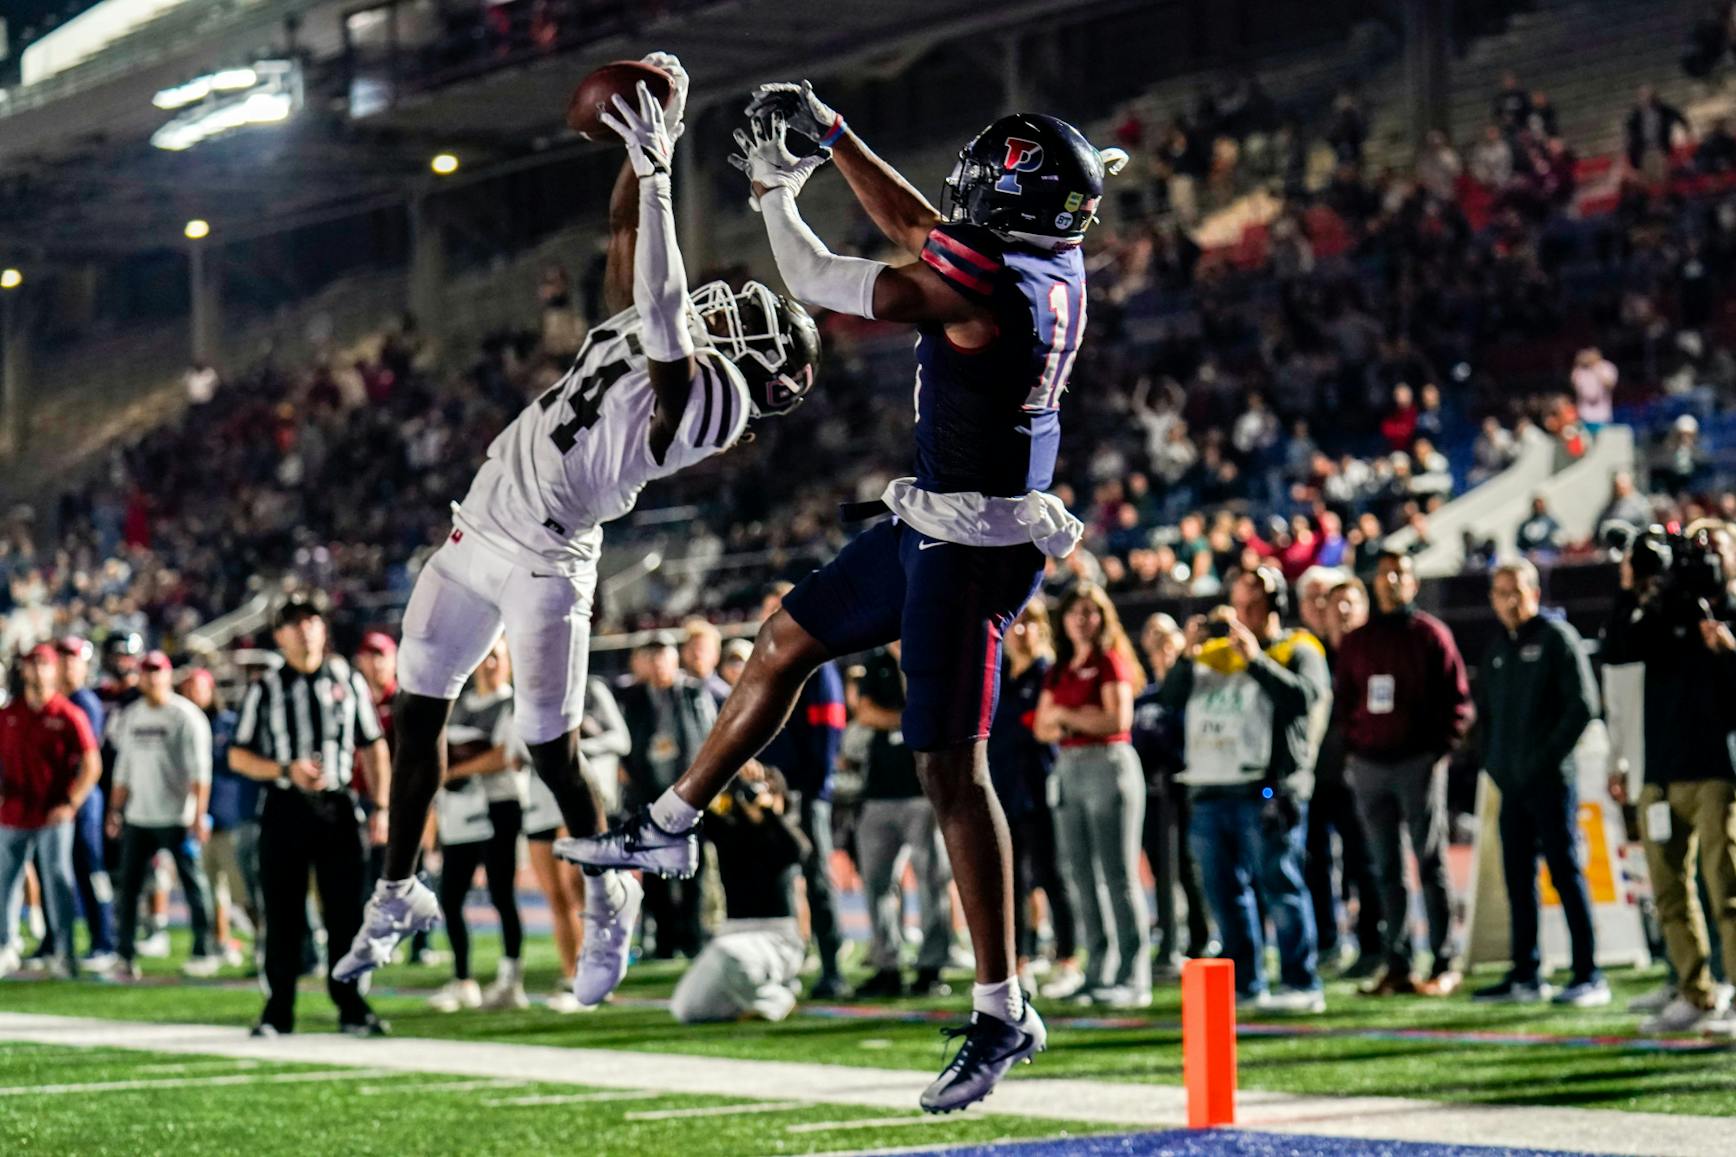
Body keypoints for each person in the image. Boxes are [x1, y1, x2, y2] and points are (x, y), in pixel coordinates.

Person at [569, 81, 1125, 1111]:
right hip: (939, 517)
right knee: (784, 635)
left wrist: (777, 194)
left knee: (947, 771)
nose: (958, 203)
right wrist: (830, 136)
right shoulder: (1048, 257)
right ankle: (671, 820)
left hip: (973, 539)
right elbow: (925, 227)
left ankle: (1004, 1008)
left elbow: (819, 275)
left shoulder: (986, 290)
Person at [333, 54, 821, 1011]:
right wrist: (651, 139)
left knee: (548, 744)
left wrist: (658, 169)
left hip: (550, 557)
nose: (737, 309)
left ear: (759, 373)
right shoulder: (654, 327)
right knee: (416, 707)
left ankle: (611, 892)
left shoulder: (712, 404)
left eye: (752, 322)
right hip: (482, 525)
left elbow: (671, 316)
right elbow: (626, 233)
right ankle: (395, 888)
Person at [1160, 569, 1331, 1011]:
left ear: (1277, 605)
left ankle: (1300, 982)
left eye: (1253, 605)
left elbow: (1304, 698)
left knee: (1281, 886)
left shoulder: (1298, 648)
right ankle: (1245, 982)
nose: (1243, 615)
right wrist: (1186, 653)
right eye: (1238, 605)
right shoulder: (1214, 654)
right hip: (1210, 786)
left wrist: (1255, 660)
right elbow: (1172, 698)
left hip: (1266, 788)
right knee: (1223, 893)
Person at [229, 597, 390, 1037]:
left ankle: (352, 1005)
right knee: (282, 913)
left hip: (338, 806)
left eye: (312, 621)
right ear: (279, 636)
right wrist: (285, 770)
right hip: (285, 807)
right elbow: (238, 755)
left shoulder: (347, 679)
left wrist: (382, 807)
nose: (306, 630)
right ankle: (278, 1009)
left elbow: (373, 744)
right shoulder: (265, 688)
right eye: (295, 624)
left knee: (345, 914)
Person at [1603, 524, 1736, 1033]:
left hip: (1716, 771)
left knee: (1727, 890)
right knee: (1669, 893)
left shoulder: (1728, 614)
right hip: (1660, 770)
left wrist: (1727, 649)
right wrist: (1630, 585)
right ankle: (1694, 991)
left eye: (1714, 549)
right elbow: (1617, 649)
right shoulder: (1658, 612)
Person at [1334, 552, 1473, 997]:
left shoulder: (1431, 635)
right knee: (1384, 866)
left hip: (1417, 763)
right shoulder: (1360, 640)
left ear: (1413, 583)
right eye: (1384, 573)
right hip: (1371, 766)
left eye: (1401, 573)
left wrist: (1436, 751)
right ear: (1374, 583)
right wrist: (1355, 751)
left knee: (1429, 860)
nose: (1392, 580)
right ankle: (1397, 962)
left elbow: (1459, 703)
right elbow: (1345, 702)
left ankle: (1443, 959)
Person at [1473, 561, 1608, 1007]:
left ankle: (1589, 972)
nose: (1508, 600)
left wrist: (1543, 759)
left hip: (1551, 782)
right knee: (1517, 878)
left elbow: (1583, 705)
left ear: (1534, 591)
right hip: (1511, 785)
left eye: (1515, 591)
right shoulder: (1497, 649)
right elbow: (1486, 718)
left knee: (1566, 873)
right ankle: (1526, 973)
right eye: (1499, 592)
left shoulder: (1557, 639)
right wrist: (1495, 764)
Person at [1034, 585, 1151, 1008]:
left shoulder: (1109, 661)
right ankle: (1098, 970)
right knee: (1081, 877)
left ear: (1104, 617)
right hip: (1069, 769)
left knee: (1118, 875)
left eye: (1091, 611)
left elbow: (1116, 719)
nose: (1083, 620)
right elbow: (1041, 728)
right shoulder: (1061, 667)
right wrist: (1076, 720)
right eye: (1075, 612)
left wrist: (1066, 717)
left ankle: (1132, 977)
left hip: (1109, 764)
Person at [755, 582, 849, 998]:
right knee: (778, 881)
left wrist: (812, 786)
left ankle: (832, 967)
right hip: (774, 790)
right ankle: (788, 963)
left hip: (804, 790)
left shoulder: (815, 662)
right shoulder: (768, 662)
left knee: (817, 879)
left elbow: (829, 729)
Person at [428, 639, 528, 1012]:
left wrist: (452, 770)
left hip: (498, 805)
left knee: (502, 893)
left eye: (497, 656)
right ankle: (463, 978)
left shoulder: (513, 703)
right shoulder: (460, 706)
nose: (489, 664)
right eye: (483, 656)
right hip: (458, 811)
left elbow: (504, 755)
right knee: (451, 896)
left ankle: (510, 979)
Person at [519, 675, 630, 1013]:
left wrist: (573, 750)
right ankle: (572, 975)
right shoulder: (528, 688)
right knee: (554, 895)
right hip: (539, 796)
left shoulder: (591, 687)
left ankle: (597, 974)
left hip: (575, 793)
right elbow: (516, 745)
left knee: (577, 888)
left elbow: (621, 740)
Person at [669, 762, 810, 1024]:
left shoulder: (783, 831)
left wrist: (767, 810)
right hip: (733, 933)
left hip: (777, 937)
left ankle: (776, 997)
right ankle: (749, 1000)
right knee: (686, 1009)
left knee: (727, 952)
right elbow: (689, 812)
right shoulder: (730, 831)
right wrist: (724, 772)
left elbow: (799, 851)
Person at [107, 651, 219, 980]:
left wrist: (199, 814)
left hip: (177, 816)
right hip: (139, 815)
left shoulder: (185, 716)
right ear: (140, 677)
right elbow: (122, 770)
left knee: (193, 885)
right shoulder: (132, 716)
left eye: (158, 672)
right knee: (128, 889)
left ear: (168, 676)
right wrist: (115, 809)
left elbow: (201, 771)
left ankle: (203, 949)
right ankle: (124, 955)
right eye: (147, 672)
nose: (153, 678)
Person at [853, 642, 954, 998]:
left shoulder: (930, 650)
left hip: (923, 789)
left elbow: (941, 710)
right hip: (879, 790)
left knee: (931, 881)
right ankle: (887, 963)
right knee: (877, 883)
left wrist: (899, 717)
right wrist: (912, 719)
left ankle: (932, 965)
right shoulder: (876, 660)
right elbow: (865, 712)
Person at [990, 603, 1077, 994]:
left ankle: (1068, 959)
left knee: (1052, 875)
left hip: (1039, 787)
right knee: (1013, 881)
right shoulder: (1000, 675)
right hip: (1004, 788)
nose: (1021, 632)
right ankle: (1019, 960)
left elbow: (1040, 727)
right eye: (1016, 624)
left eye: (1029, 624)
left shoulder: (1048, 673)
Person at [0, 645, 101, 977]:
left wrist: (71, 802)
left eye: (45, 664)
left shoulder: (68, 714)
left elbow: (92, 764)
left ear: (55, 670)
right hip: (14, 812)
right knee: (5, 882)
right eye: (34, 664)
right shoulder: (9, 714)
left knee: (58, 880)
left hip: (52, 812)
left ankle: (64, 950)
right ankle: (6, 945)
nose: (39, 671)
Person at [617, 634, 717, 960]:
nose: (659, 663)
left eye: (665, 656)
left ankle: (693, 937)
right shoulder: (633, 698)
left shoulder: (692, 694)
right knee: (655, 871)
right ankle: (663, 941)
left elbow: (708, 736)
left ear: (675, 660)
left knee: (692, 869)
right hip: (648, 795)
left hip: (688, 794)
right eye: (653, 656)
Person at [1307, 577, 1383, 978]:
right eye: (1332, 604)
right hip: (1320, 776)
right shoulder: (1316, 656)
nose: (1340, 612)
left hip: (1365, 772)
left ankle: (1375, 944)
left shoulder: (1378, 652)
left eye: (1349, 603)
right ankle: (1327, 942)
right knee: (1316, 862)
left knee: (1366, 862)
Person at [1131, 612, 1212, 978]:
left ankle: (1200, 935)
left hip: (1183, 786)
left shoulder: (1191, 684)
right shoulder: (1145, 693)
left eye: (1166, 636)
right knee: (1160, 864)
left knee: (1187, 864)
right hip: (1150, 790)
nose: (1160, 644)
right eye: (1152, 636)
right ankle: (1169, 933)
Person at [183, 667, 250, 969]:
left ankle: (264, 943)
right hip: (196, 819)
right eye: (189, 688)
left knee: (243, 892)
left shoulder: (228, 725)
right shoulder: (182, 723)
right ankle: (219, 943)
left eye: (199, 687)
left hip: (227, 817)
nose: (193, 694)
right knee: (211, 892)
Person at [681, 618, 732, 707]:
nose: (697, 654)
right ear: (684, 652)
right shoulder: (673, 692)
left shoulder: (724, 695)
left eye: (703, 649)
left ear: (716, 655)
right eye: (692, 648)